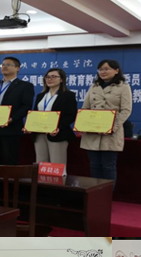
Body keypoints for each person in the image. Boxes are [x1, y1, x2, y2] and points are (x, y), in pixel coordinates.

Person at [80, 59, 132, 189]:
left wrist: (112, 127)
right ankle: (95, 195)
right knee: (94, 165)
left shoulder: (123, 87)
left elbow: (126, 110)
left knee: (108, 166)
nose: (103, 72)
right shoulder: (94, 86)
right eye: (101, 69)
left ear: (116, 70)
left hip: (111, 134)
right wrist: (83, 124)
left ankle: (106, 196)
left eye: (107, 69)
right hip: (92, 132)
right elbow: (85, 108)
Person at [0, 56, 34, 165]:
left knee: (10, 159)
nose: (4, 67)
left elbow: (26, 106)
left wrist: (11, 119)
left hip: (11, 128)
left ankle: (9, 177)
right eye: (3, 65)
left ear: (17, 68)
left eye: (8, 65)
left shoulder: (25, 86)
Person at [30, 68, 77, 165]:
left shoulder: (68, 95)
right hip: (39, 133)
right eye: (47, 77)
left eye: (53, 77)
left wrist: (58, 128)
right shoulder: (41, 95)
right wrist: (30, 126)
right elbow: (35, 113)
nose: (49, 79)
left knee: (57, 163)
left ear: (61, 79)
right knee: (41, 163)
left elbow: (71, 115)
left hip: (58, 134)